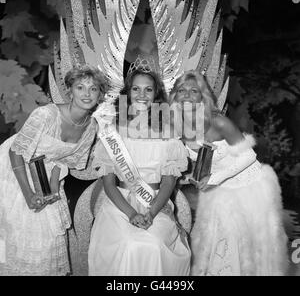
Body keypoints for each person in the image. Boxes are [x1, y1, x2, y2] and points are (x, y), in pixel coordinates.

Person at [169, 70, 289, 276]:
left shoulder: (218, 122)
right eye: (182, 90)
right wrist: (187, 177)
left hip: (248, 186)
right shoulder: (175, 125)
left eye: (194, 91)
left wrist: (215, 179)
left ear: (202, 96)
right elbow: (193, 162)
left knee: (244, 250)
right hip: (218, 190)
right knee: (217, 247)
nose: (187, 95)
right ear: (174, 96)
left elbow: (248, 156)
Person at [0, 65, 107, 276]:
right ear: (70, 90)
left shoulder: (91, 126)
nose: (86, 94)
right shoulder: (46, 114)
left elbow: (64, 161)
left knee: (48, 240)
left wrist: (52, 189)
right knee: (21, 238)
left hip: (46, 176)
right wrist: (29, 194)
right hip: (14, 171)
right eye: (80, 87)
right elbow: (16, 152)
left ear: (100, 95)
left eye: (93, 89)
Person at [88, 68, 191, 276]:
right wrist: (132, 213)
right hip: (120, 206)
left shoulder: (168, 132)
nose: (142, 95)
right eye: (136, 89)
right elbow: (108, 184)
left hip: (156, 203)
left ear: (156, 95)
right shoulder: (112, 131)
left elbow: (168, 184)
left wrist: (151, 213)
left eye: (148, 90)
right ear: (127, 93)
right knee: (129, 243)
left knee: (153, 244)